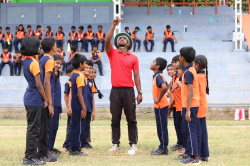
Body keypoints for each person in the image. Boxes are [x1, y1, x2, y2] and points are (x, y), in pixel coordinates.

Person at [105, 18, 142, 152]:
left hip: (129, 91)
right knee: (115, 118)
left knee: (131, 118)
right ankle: (116, 144)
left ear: (128, 43)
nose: (121, 39)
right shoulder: (112, 53)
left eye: (124, 38)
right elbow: (107, 40)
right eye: (119, 38)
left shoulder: (134, 57)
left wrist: (140, 92)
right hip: (115, 91)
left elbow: (136, 76)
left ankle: (133, 144)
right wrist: (114, 25)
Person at [20, 36, 48, 166]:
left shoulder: (26, 61)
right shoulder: (34, 63)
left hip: (29, 97)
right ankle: (29, 158)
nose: (39, 48)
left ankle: (30, 157)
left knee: (32, 128)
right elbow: (39, 84)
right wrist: (45, 99)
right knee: (34, 130)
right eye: (38, 45)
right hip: (35, 98)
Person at [179, 46, 200, 165]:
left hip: (191, 105)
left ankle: (194, 156)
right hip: (188, 105)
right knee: (187, 130)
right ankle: (188, 152)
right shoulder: (190, 70)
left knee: (191, 130)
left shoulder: (188, 72)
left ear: (182, 57)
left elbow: (190, 92)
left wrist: (187, 110)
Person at [38, 37, 57, 162]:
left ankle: (43, 152)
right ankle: (44, 154)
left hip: (41, 97)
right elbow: (46, 82)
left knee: (44, 126)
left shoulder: (41, 59)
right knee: (46, 127)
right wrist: (50, 103)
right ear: (53, 47)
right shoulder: (50, 60)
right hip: (46, 97)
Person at [67, 53, 87, 156]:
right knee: (76, 127)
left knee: (74, 126)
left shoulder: (74, 74)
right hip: (78, 105)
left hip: (75, 104)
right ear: (80, 64)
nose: (85, 65)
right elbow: (79, 93)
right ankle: (75, 149)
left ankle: (72, 147)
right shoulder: (79, 76)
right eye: (84, 63)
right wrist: (84, 108)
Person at [150, 57, 169, 155]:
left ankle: (164, 148)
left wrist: (159, 98)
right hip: (159, 106)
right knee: (160, 126)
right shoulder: (157, 76)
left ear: (157, 66)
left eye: (153, 62)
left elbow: (164, 87)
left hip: (161, 105)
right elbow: (167, 86)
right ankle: (162, 146)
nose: (151, 63)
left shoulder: (158, 76)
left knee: (162, 127)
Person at [193, 55, 209, 162]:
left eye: (193, 64)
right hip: (203, 105)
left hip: (198, 106)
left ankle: (197, 154)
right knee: (203, 130)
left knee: (197, 132)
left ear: (197, 65)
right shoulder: (203, 76)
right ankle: (204, 154)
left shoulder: (197, 77)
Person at [48, 54, 63, 155]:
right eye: (57, 63)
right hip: (52, 104)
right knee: (50, 127)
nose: (58, 65)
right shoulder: (50, 74)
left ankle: (51, 147)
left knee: (55, 127)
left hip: (57, 104)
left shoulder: (57, 73)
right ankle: (48, 149)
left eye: (60, 64)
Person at [168, 55, 184, 152]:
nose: (174, 65)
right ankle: (180, 142)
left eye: (175, 62)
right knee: (177, 126)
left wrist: (169, 106)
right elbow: (172, 94)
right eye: (173, 62)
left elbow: (178, 93)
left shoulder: (180, 78)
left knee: (182, 127)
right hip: (175, 106)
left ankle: (183, 144)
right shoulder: (173, 79)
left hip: (180, 105)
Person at [81, 60, 97, 150]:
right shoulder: (80, 78)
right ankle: (80, 143)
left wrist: (93, 111)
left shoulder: (91, 82)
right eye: (86, 67)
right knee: (81, 126)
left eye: (90, 68)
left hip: (89, 108)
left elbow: (92, 97)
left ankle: (85, 142)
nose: (88, 70)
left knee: (87, 126)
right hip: (81, 108)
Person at [61, 65, 74, 153]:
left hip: (76, 108)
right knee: (70, 126)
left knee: (74, 126)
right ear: (69, 73)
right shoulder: (68, 83)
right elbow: (66, 95)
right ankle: (66, 145)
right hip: (71, 109)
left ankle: (72, 144)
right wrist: (68, 107)